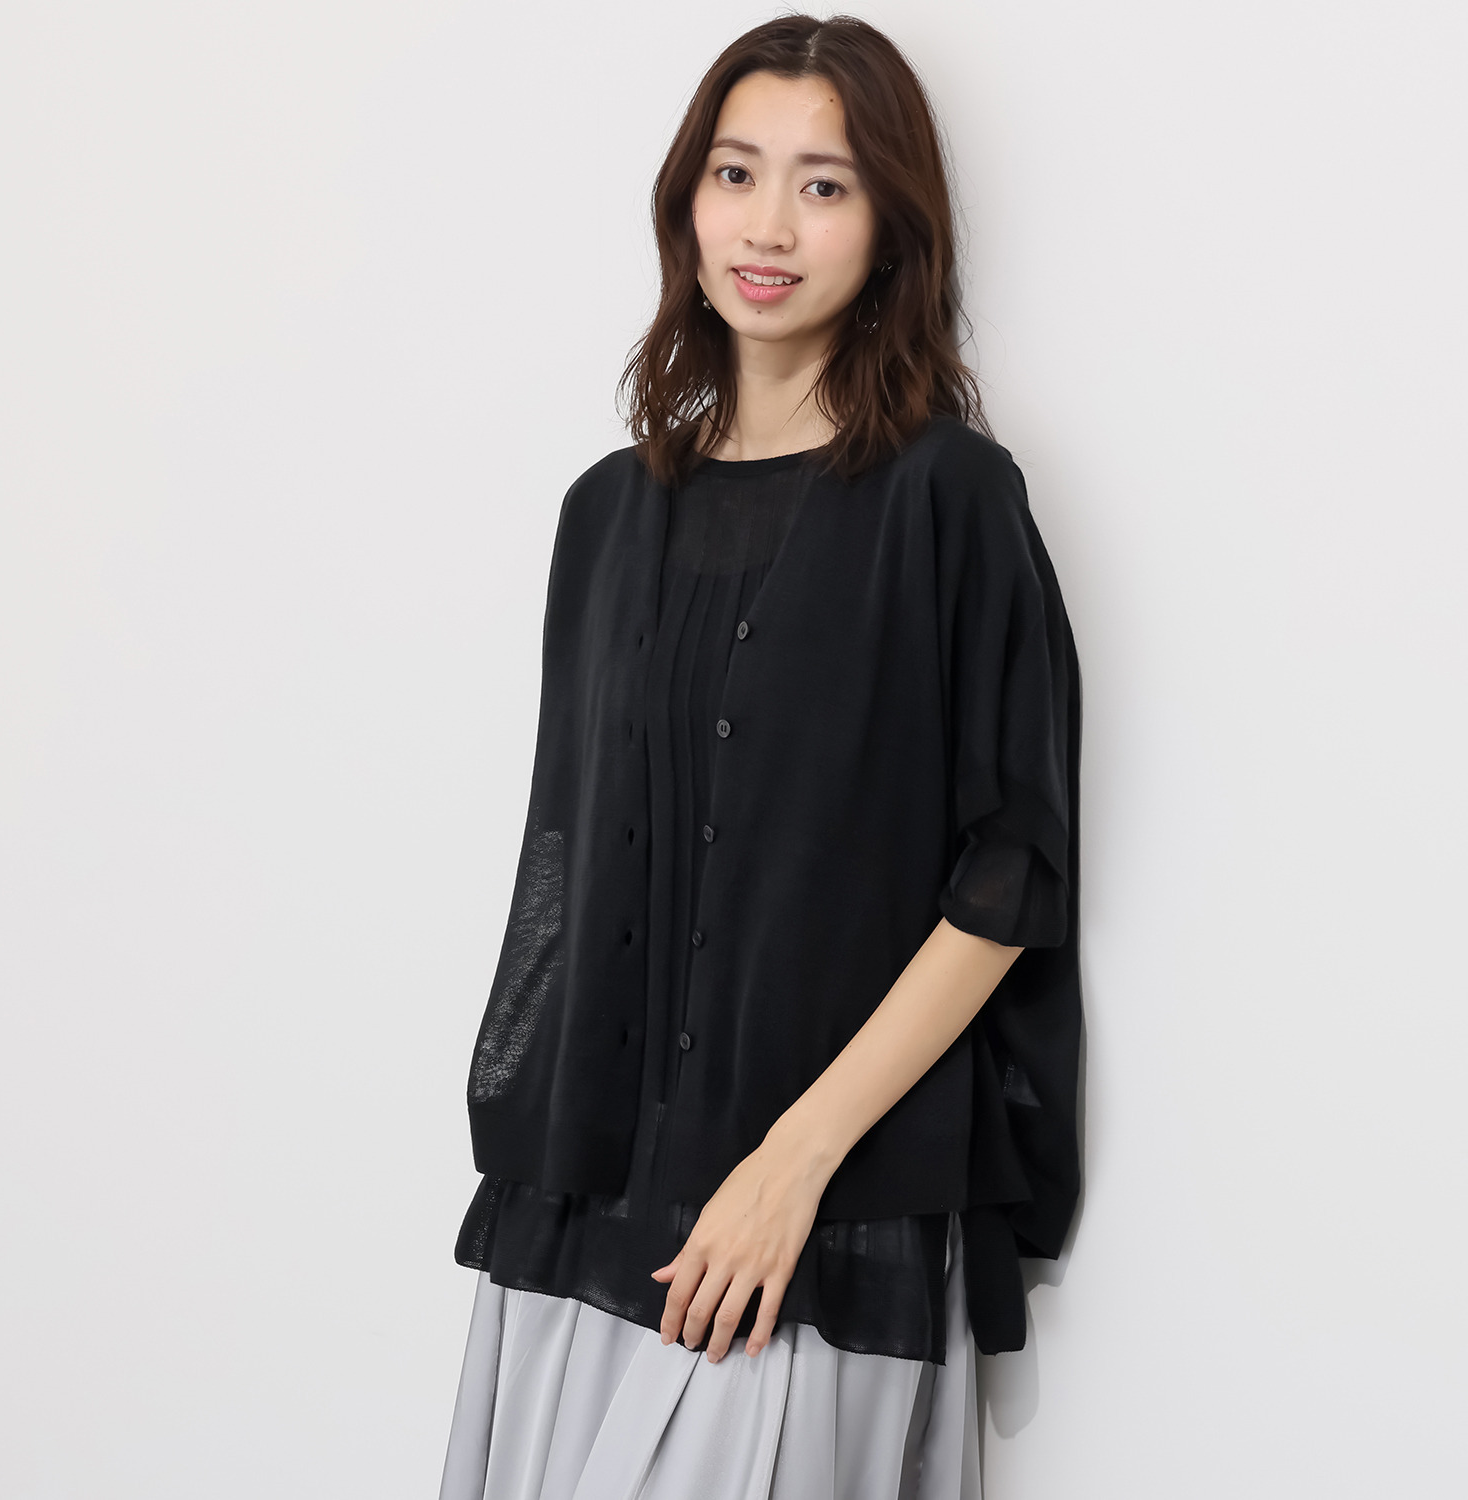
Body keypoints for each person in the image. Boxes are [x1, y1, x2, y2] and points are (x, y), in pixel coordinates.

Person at [438, 14, 1083, 1498]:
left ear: (893, 226)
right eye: (736, 173)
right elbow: (567, 856)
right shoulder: (605, 513)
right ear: (687, 200)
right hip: (579, 1204)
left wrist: (792, 1164)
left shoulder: (950, 500)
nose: (769, 226)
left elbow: (1009, 876)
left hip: (816, 1217)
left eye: (824, 185)